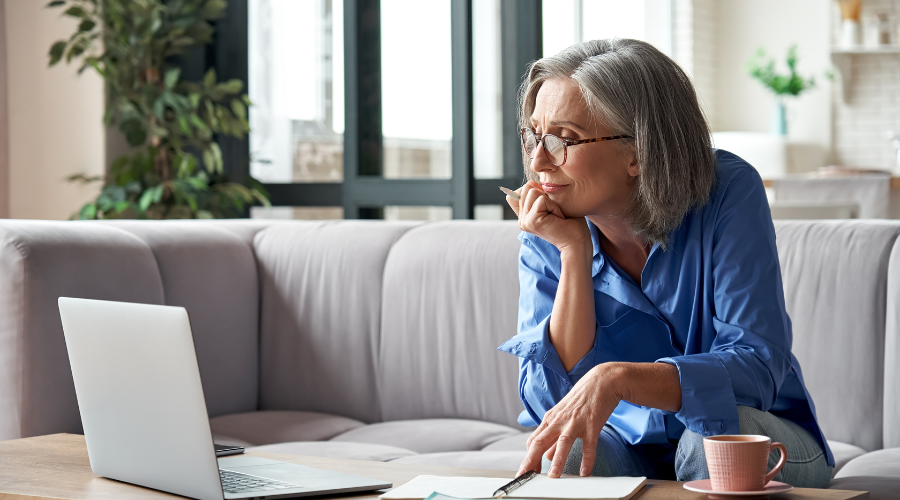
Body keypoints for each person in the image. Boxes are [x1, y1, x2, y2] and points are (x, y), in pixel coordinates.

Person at [497, 38, 833, 488]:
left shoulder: (729, 192)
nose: (539, 161)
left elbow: (757, 367)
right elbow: (550, 403)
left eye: (564, 139)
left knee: (709, 442)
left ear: (639, 152)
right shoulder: (550, 222)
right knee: (570, 450)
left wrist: (619, 379)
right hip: (627, 444)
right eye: (533, 136)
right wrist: (573, 254)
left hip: (759, 433)